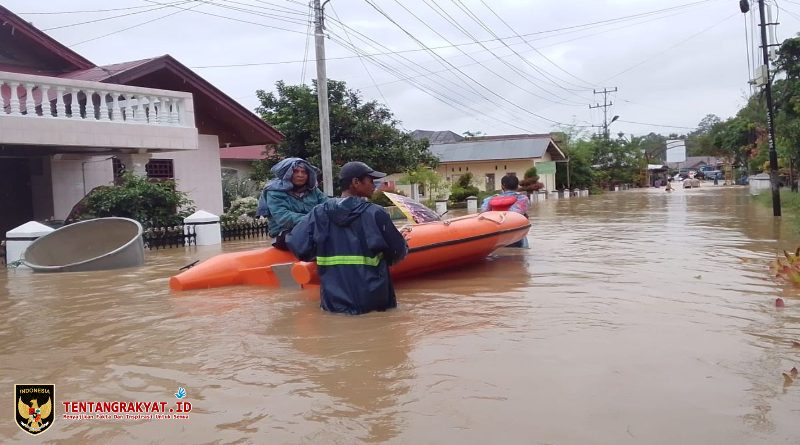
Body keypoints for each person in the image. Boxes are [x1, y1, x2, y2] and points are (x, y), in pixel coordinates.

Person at [287, 161, 409, 315]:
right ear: (356, 182)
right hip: (373, 301)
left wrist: (324, 251)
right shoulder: (376, 213)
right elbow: (397, 253)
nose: (374, 185)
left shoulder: (318, 213)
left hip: (333, 302)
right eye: (370, 180)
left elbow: (297, 245)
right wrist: (401, 243)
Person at [256, 158, 329, 250]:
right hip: (284, 233)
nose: (300, 175)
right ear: (288, 174)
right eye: (296, 171)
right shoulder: (274, 191)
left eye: (304, 172)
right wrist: (313, 220)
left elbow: (327, 205)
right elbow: (283, 217)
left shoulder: (313, 191)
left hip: (312, 229)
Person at [480, 174, 530, 248]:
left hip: (495, 234)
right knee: (521, 252)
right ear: (517, 186)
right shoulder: (522, 198)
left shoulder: (490, 199)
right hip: (515, 234)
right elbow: (515, 214)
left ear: (502, 186)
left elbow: (483, 212)